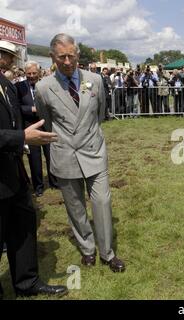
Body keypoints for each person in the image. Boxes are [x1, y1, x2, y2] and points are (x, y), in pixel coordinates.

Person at [35, 33, 125, 273]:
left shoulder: (95, 80)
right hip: (65, 154)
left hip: (94, 150)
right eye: (61, 56)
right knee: (75, 207)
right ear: (52, 56)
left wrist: (88, 135)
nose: (67, 61)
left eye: (71, 56)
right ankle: (87, 249)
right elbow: (47, 122)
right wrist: (67, 140)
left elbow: (99, 114)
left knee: (102, 202)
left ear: (78, 55)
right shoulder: (43, 87)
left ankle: (107, 253)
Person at [0, 39, 68, 299]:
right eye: (3, 55)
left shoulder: (6, 85)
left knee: (24, 229)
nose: (7, 60)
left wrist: (22, 145)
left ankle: (27, 283)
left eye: (9, 55)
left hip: (14, 174)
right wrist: (21, 139)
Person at [15, 61, 58, 197]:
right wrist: (31, 109)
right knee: (34, 159)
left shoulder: (45, 85)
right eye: (29, 74)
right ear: (25, 73)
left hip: (45, 125)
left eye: (34, 73)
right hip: (29, 126)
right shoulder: (18, 87)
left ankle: (54, 182)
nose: (32, 76)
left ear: (39, 73)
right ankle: (38, 186)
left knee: (51, 155)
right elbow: (17, 107)